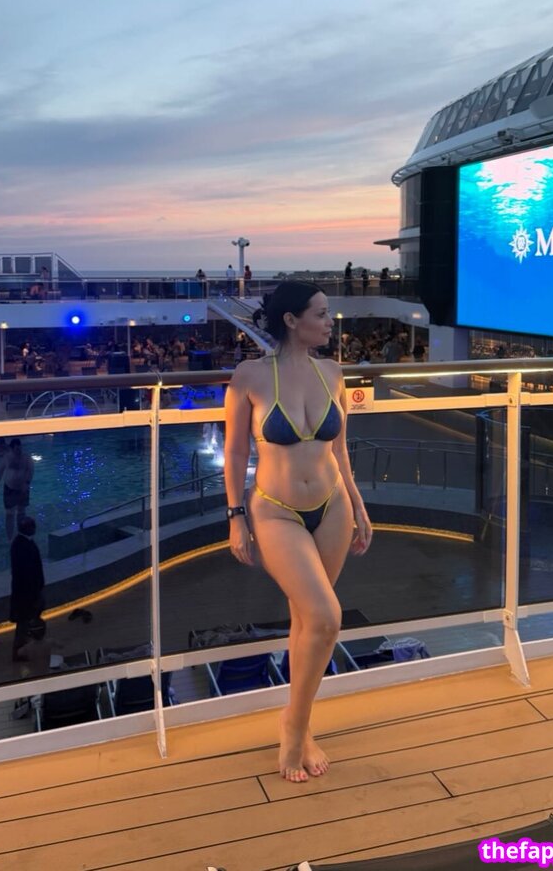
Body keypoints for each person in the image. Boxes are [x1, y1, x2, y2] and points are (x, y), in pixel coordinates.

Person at [224, 280, 372, 783]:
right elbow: (235, 453)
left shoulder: (332, 373)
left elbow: (340, 451)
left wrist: (358, 504)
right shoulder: (249, 376)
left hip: (332, 506)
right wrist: (235, 517)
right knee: (326, 618)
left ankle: (302, 727)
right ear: (292, 320)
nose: (331, 323)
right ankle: (293, 726)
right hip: (276, 510)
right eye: (321, 314)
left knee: (306, 621)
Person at [9, 517, 45, 661]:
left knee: (25, 622)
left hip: (28, 591)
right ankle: (18, 653)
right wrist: (35, 592)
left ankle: (24, 649)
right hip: (27, 593)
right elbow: (26, 573)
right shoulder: (23, 546)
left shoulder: (20, 543)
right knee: (23, 623)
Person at [0, 437, 35, 540]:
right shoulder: (7, 458)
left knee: (21, 513)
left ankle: (21, 537)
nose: (19, 451)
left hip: (22, 489)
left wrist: (27, 483)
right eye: (17, 449)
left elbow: (30, 471)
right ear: (12, 449)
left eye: (20, 448)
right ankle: (10, 539)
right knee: (9, 514)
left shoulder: (26, 458)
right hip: (9, 488)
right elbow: (0, 471)